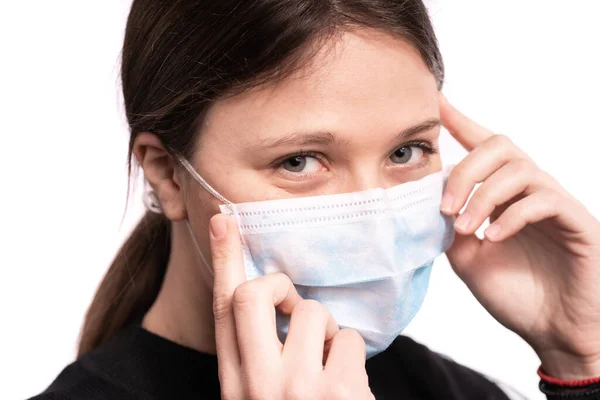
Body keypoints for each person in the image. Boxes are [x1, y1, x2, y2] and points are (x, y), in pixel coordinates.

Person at [30, 0, 600, 399]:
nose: (375, 223)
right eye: (299, 161)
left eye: (406, 152)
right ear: (167, 174)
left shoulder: (458, 392)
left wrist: (583, 361)